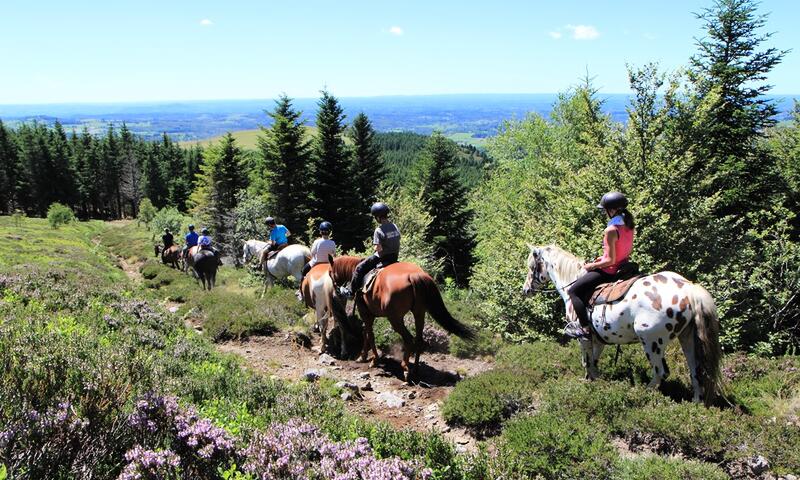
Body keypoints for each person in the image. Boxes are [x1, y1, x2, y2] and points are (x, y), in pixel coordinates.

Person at [566, 192, 636, 338]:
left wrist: (591, 266)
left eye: (605, 210)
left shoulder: (611, 230)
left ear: (612, 210)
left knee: (573, 291)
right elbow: (625, 249)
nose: (604, 213)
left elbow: (610, 261)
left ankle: (584, 329)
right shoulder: (629, 225)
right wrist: (602, 258)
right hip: (624, 266)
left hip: (610, 270)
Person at [341, 202, 401, 298]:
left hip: (383, 257)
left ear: (377, 217)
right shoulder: (394, 226)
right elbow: (397, 239)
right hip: (395, 256)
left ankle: (351, 292)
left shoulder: (379, 230)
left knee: (359, 268)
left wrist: (375, 247)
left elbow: (378, 248)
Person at [297, 221, 336, 300]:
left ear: (320, 231)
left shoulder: (317, 241)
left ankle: (300, 292)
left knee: (303, 272)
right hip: (328, 264)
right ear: (330, 232)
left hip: (315, 263)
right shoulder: (332, 243)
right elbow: (334, 254)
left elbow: (312, 253)